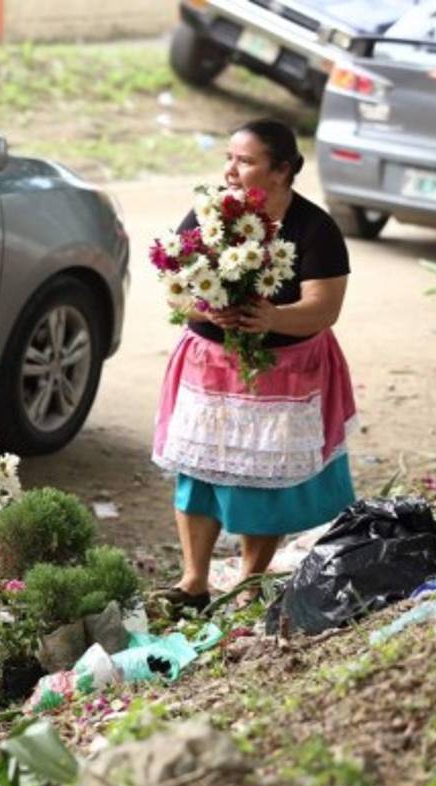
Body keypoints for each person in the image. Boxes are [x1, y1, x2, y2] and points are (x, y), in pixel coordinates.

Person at [151, 118, 358, 612]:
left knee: (265, 479)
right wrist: (209, 309)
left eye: (245, 161)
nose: (230, 170)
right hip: (210, 368)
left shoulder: (315, 229)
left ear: (282, 171)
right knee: (198, 474)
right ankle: (193, 583)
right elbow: (177, 293)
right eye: (229, 158)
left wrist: (271, 316)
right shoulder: (209, 216)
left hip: (285, 372)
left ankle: (247, 584)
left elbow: (324, 308)